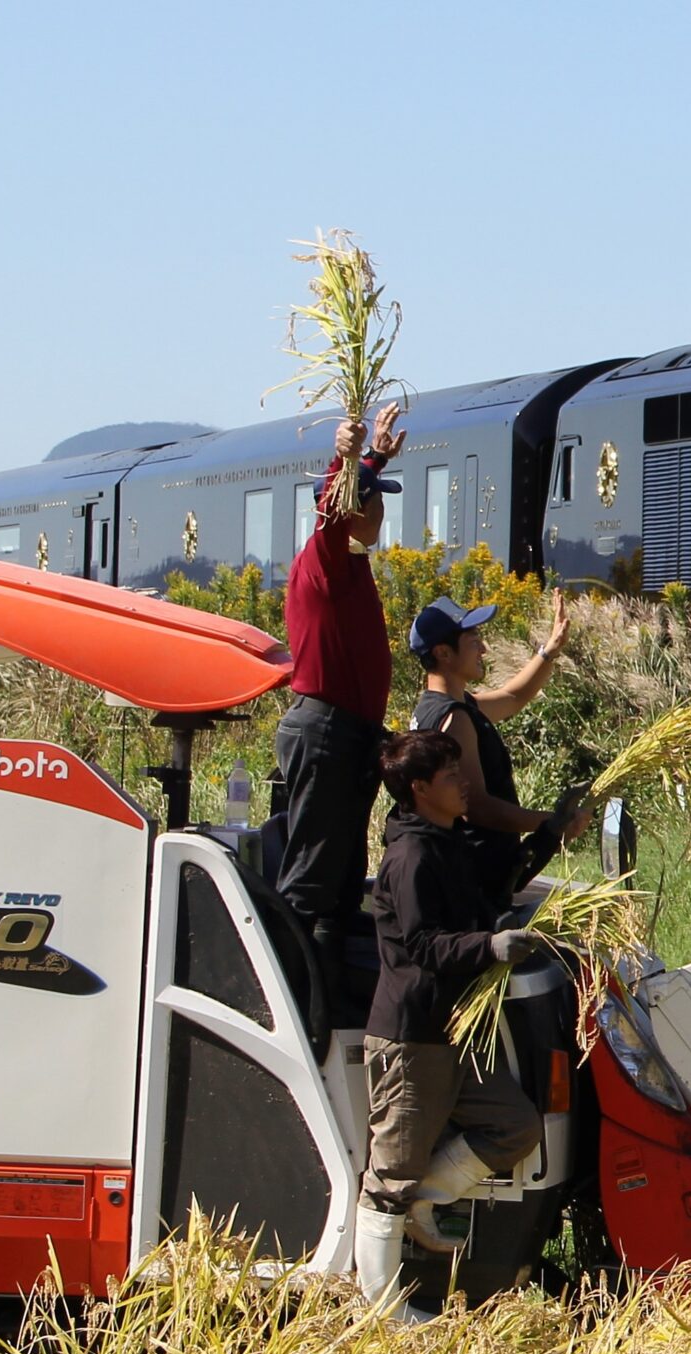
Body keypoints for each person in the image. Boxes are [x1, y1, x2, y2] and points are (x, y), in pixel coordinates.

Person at [355, 728, 546, 1311]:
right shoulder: (410, 855)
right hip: (413, 1039)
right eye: (449, 777)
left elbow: (483, 897)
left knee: (515, 1127)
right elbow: (422, 945)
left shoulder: (445, 841)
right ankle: (381, 1311)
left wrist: (553, 836)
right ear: (419, 789)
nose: (464, 784)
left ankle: (425, 1202)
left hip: (455, 1032)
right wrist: (490, 947)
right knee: (389, 1179)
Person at [274, 404, 408, 991]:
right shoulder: (326, 557)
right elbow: (330, 508)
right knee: (313, 881)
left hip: (347, 734)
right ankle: (298, 1003)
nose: (380, 510)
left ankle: (328, 995)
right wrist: (349, 457)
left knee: (341, 879)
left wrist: (374, 456)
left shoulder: (352, 563)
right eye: (373, 499)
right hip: (326, 731)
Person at [402, 586, 586, 897]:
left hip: (473, 872)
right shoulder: (454, 720)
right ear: (443, 653)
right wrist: (553, 824)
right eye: (473, 641)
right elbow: (478, 808)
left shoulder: (444, 705)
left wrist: (550, 649)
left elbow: (512, 698)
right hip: (478, 878)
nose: (483, 648)